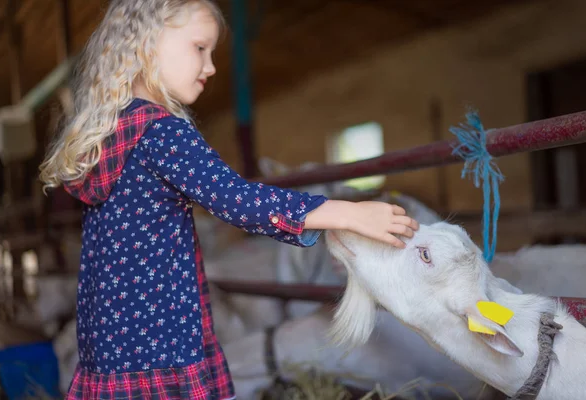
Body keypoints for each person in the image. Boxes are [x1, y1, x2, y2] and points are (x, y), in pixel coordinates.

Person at [39, 1, 419, 399]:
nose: (211, 67)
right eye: (199, 48)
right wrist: (349, 214)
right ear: (145, 44)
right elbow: (237, 200)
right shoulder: (163, 133)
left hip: (111, 345)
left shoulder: (109, 136)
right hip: (162, 346)